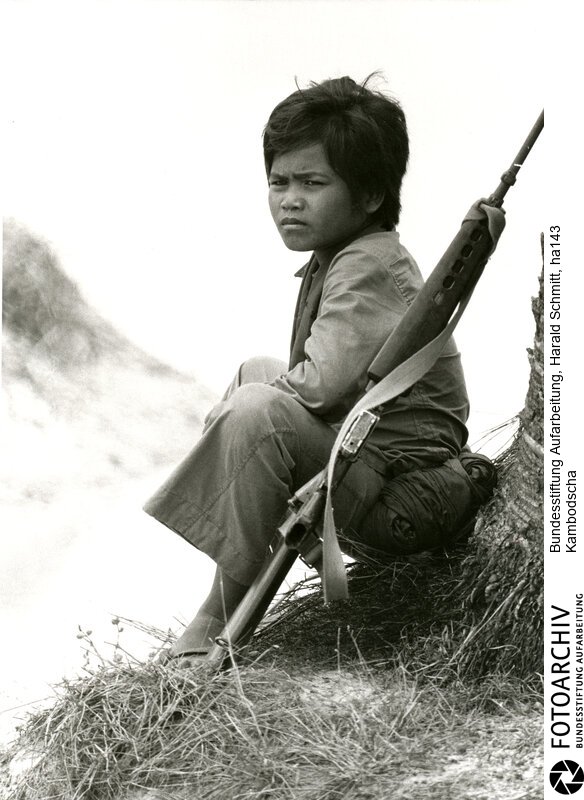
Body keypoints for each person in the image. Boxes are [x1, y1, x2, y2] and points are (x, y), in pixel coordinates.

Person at [144, 75, 470, 661]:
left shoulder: (367, 266)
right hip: (368, 459)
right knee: (255, 375)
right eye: (278, 182)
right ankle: (271, 554)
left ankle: (215, 617)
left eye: (312, 183)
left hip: (399, 488)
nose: (289, 199)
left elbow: (318, 389)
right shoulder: (343, 256)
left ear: (370, 195)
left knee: (253, 410)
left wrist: (242, 418)